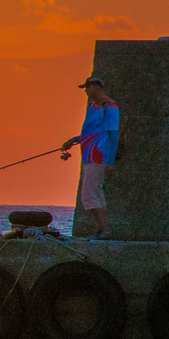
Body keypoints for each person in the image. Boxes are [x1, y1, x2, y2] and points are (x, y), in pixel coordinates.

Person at [61, 76, 119, 239]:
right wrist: (74, 140)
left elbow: (113, 134)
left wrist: (110, 161)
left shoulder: (110, 107)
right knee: (96, 193)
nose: (86, 91)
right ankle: (104, 229)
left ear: (97, 87)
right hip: (88, 156)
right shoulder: (92, 107)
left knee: (89, 194)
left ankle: (105, 230)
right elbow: (91, 132)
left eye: (88, 87)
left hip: (99, 155)